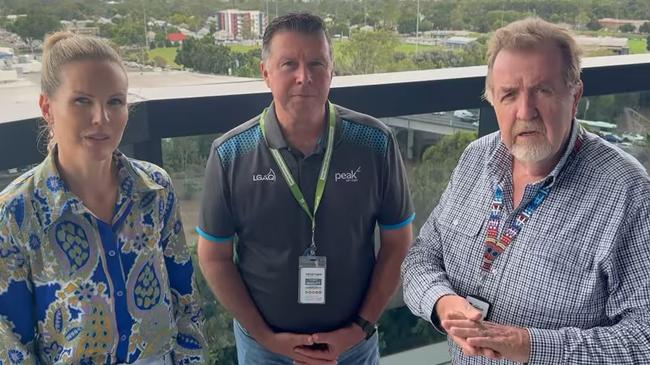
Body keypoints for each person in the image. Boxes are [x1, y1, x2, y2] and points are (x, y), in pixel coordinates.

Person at [402, 17, 650, 364]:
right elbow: (422, 256)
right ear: (492, 101)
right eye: (509, 94)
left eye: (543, 91)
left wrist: (529, 346)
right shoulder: (477, 158)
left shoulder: (627, 192)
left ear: (574, 96)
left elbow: (643, 340)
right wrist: (443, 302)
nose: (525, 111)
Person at [196, 12, 413, 365]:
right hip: (264, 348)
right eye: (288, 64)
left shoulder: (374, 143)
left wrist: (359, 328)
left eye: (316, 63)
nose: (304, 77)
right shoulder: (231, 154)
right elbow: (214, 257)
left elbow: (398, 242)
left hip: (352, 346)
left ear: (332, 70)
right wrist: (266, 337)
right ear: (265, 72)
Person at [0, 32, 207, 364]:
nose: (102, 118)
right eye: (82, 101)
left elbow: (185, 302)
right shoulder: (15, 214)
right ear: (46, 107)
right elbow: (11, 347)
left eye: (115, 101)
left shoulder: (155, 189)